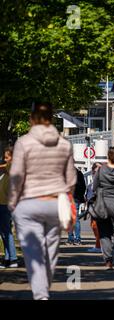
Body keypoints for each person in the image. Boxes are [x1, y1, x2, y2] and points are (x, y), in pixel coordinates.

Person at [8, 102, 77, 300]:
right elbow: (71, 178)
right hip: (55, 203)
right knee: (51, 251)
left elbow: (17, 175)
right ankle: (43, 289)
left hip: (29, 203)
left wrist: (13, 203)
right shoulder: (64, 144)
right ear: (51, 118)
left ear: (32, 118)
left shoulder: (24, 142)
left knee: (34, 253)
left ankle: (41, 295)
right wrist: (66, 196)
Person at [0, 147, 18, 269]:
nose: (5, 159)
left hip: (5, 204)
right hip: (3, 203)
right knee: (4, 232)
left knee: (6, 232)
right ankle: (7, 258)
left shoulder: (12, 167)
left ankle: (12, 259)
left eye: (7, 157)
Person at [85, 162, 102, 253]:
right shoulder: (93, 180)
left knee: (96, 226)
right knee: (93, 225)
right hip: (92, 205)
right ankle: (98, 244)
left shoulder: (101, 180)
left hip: (99, 206)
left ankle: (99, 246)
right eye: (98, 168)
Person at [67, 167, 86, 245]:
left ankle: (71, 238)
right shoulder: (79, 173)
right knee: (76, 219)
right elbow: (83, 187)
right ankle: (77, 239)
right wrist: (80, 196)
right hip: (76, 198)